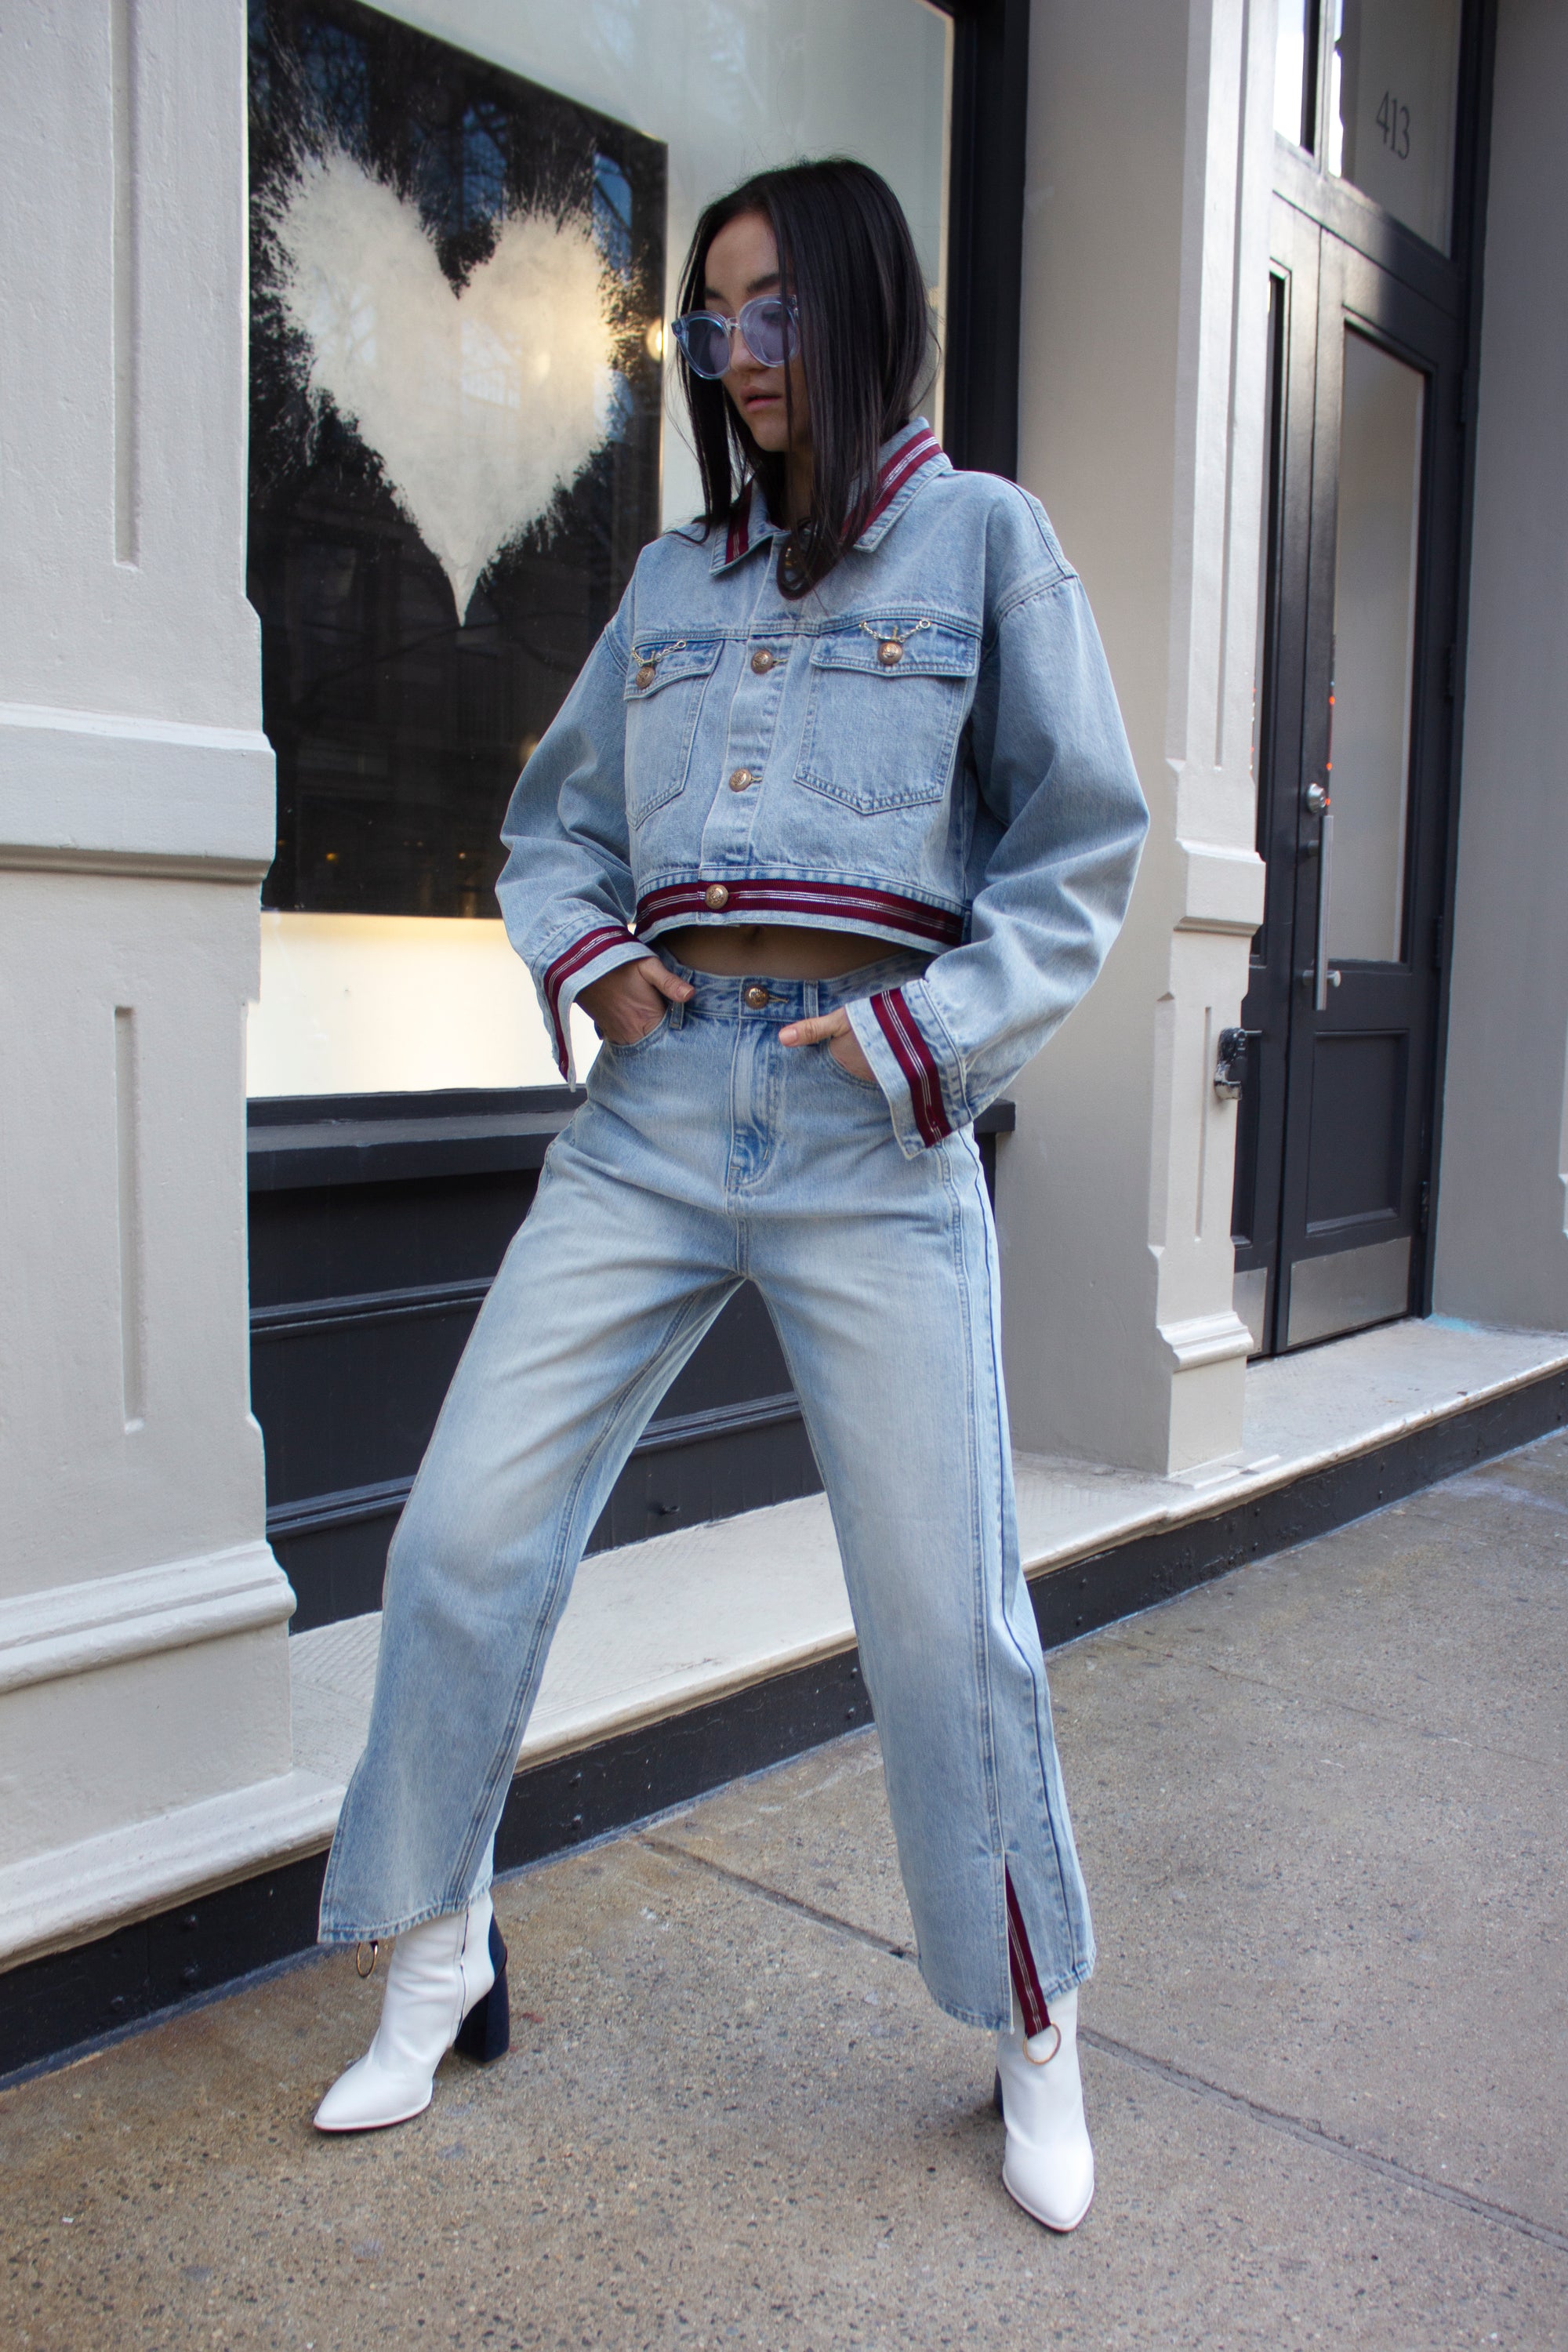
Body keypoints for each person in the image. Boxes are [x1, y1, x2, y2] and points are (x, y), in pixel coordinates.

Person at [310, 158, 1147, 2234]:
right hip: (661, 1121)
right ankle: (443, 1946)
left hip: (873, 1134)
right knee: (463, 1535)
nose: (741, 355)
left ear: (866, 309)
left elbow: (1080, 847)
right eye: (714, 319)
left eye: (775, 311)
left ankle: (1033, 2022)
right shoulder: (675, 588)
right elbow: (554, 829)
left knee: (948, 1621)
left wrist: (928, 1037)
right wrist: (592, 958)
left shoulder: (986, 544)